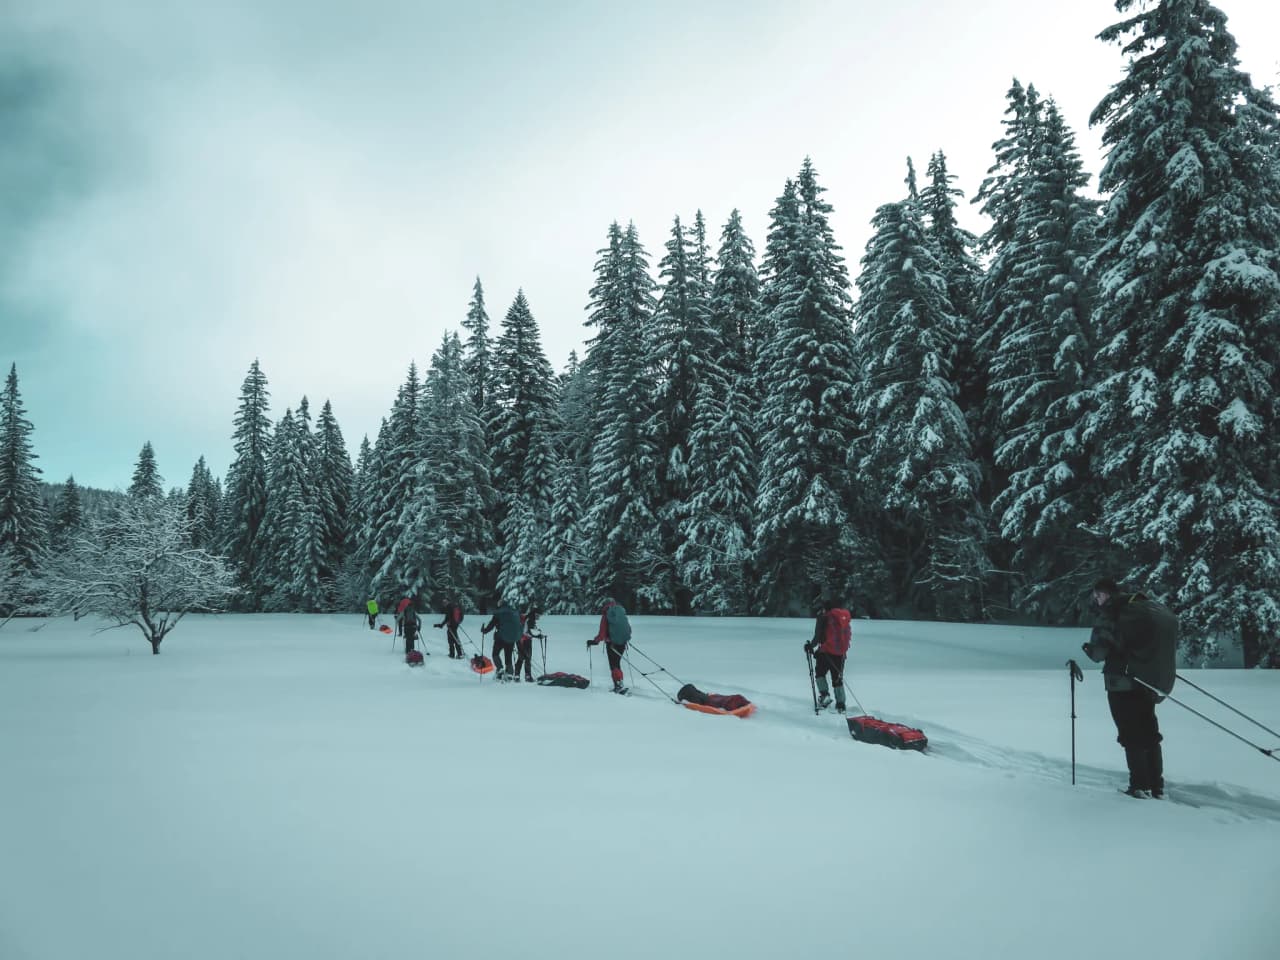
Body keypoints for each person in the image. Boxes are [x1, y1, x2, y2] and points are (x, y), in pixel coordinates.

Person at [1082, 577, 1178, 799]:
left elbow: (1099, 653)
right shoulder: (1136, 610)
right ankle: (1156, 786)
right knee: (1149, 731)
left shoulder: (1111, 614)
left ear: (1106, 594)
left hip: (1121, 683)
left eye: (1098, 595)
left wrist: (1090, 649)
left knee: (1130, 733)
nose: (1096, 600)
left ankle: (1139, 786)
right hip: (1145, 681)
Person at [805, 599, 852, 713]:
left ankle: (824, 696)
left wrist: (810, 646)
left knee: (820, 673)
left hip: (826, 652)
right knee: (837, 678)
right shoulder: (842, 618)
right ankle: (841, 704)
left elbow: (818, 636)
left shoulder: (824, 617)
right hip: (841, 654)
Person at [587, 598, 631, 694]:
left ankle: (618, 685)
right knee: (617, 663)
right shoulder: (620, 611)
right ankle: (619, 683)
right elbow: (628, 627)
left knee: (614, 664)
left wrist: (595, 641)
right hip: (623, 642)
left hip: (612, 643)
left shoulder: (606, 614)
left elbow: (602, 632)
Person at [481, 599, 522, 681]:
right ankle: (510, 673)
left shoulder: (499, 612)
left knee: (495, 653)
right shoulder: (514, 612)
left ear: (500, 604)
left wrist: (484, 630)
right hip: (512, 638)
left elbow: (492, 624)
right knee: (508, 655)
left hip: (501, 637)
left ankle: (500, 669)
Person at [514, 603, 541, 682]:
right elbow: (527, 631)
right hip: (525, 640)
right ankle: (528, 676)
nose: (539, 617)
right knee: (527, 659)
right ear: (535, 614)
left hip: (518, 640)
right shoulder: (530, 618)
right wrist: (537, 635)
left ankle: (517, 675)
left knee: (521, 658)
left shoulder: (522, 617)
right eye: (539, 615)